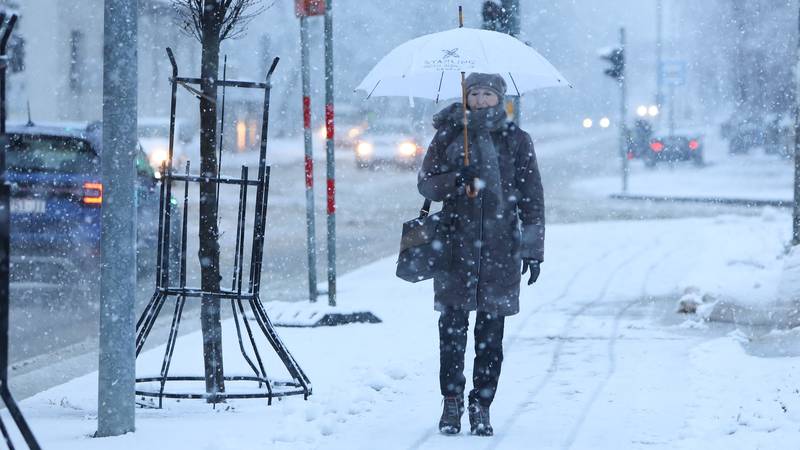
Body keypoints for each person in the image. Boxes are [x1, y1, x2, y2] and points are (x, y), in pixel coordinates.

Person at [417, 73, 545, 436]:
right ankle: (452, 401)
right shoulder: (449, 135)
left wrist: (533, 250)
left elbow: (532, 196)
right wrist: (457, 177)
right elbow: (426, 183)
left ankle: (481, 404)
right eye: (475, 93)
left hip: (500, 250)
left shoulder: (517, 140)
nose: (483, 99)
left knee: (492, 334)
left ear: (501, 98)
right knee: (452, 331)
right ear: (466, 97)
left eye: (489, 94)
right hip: (455, 248)